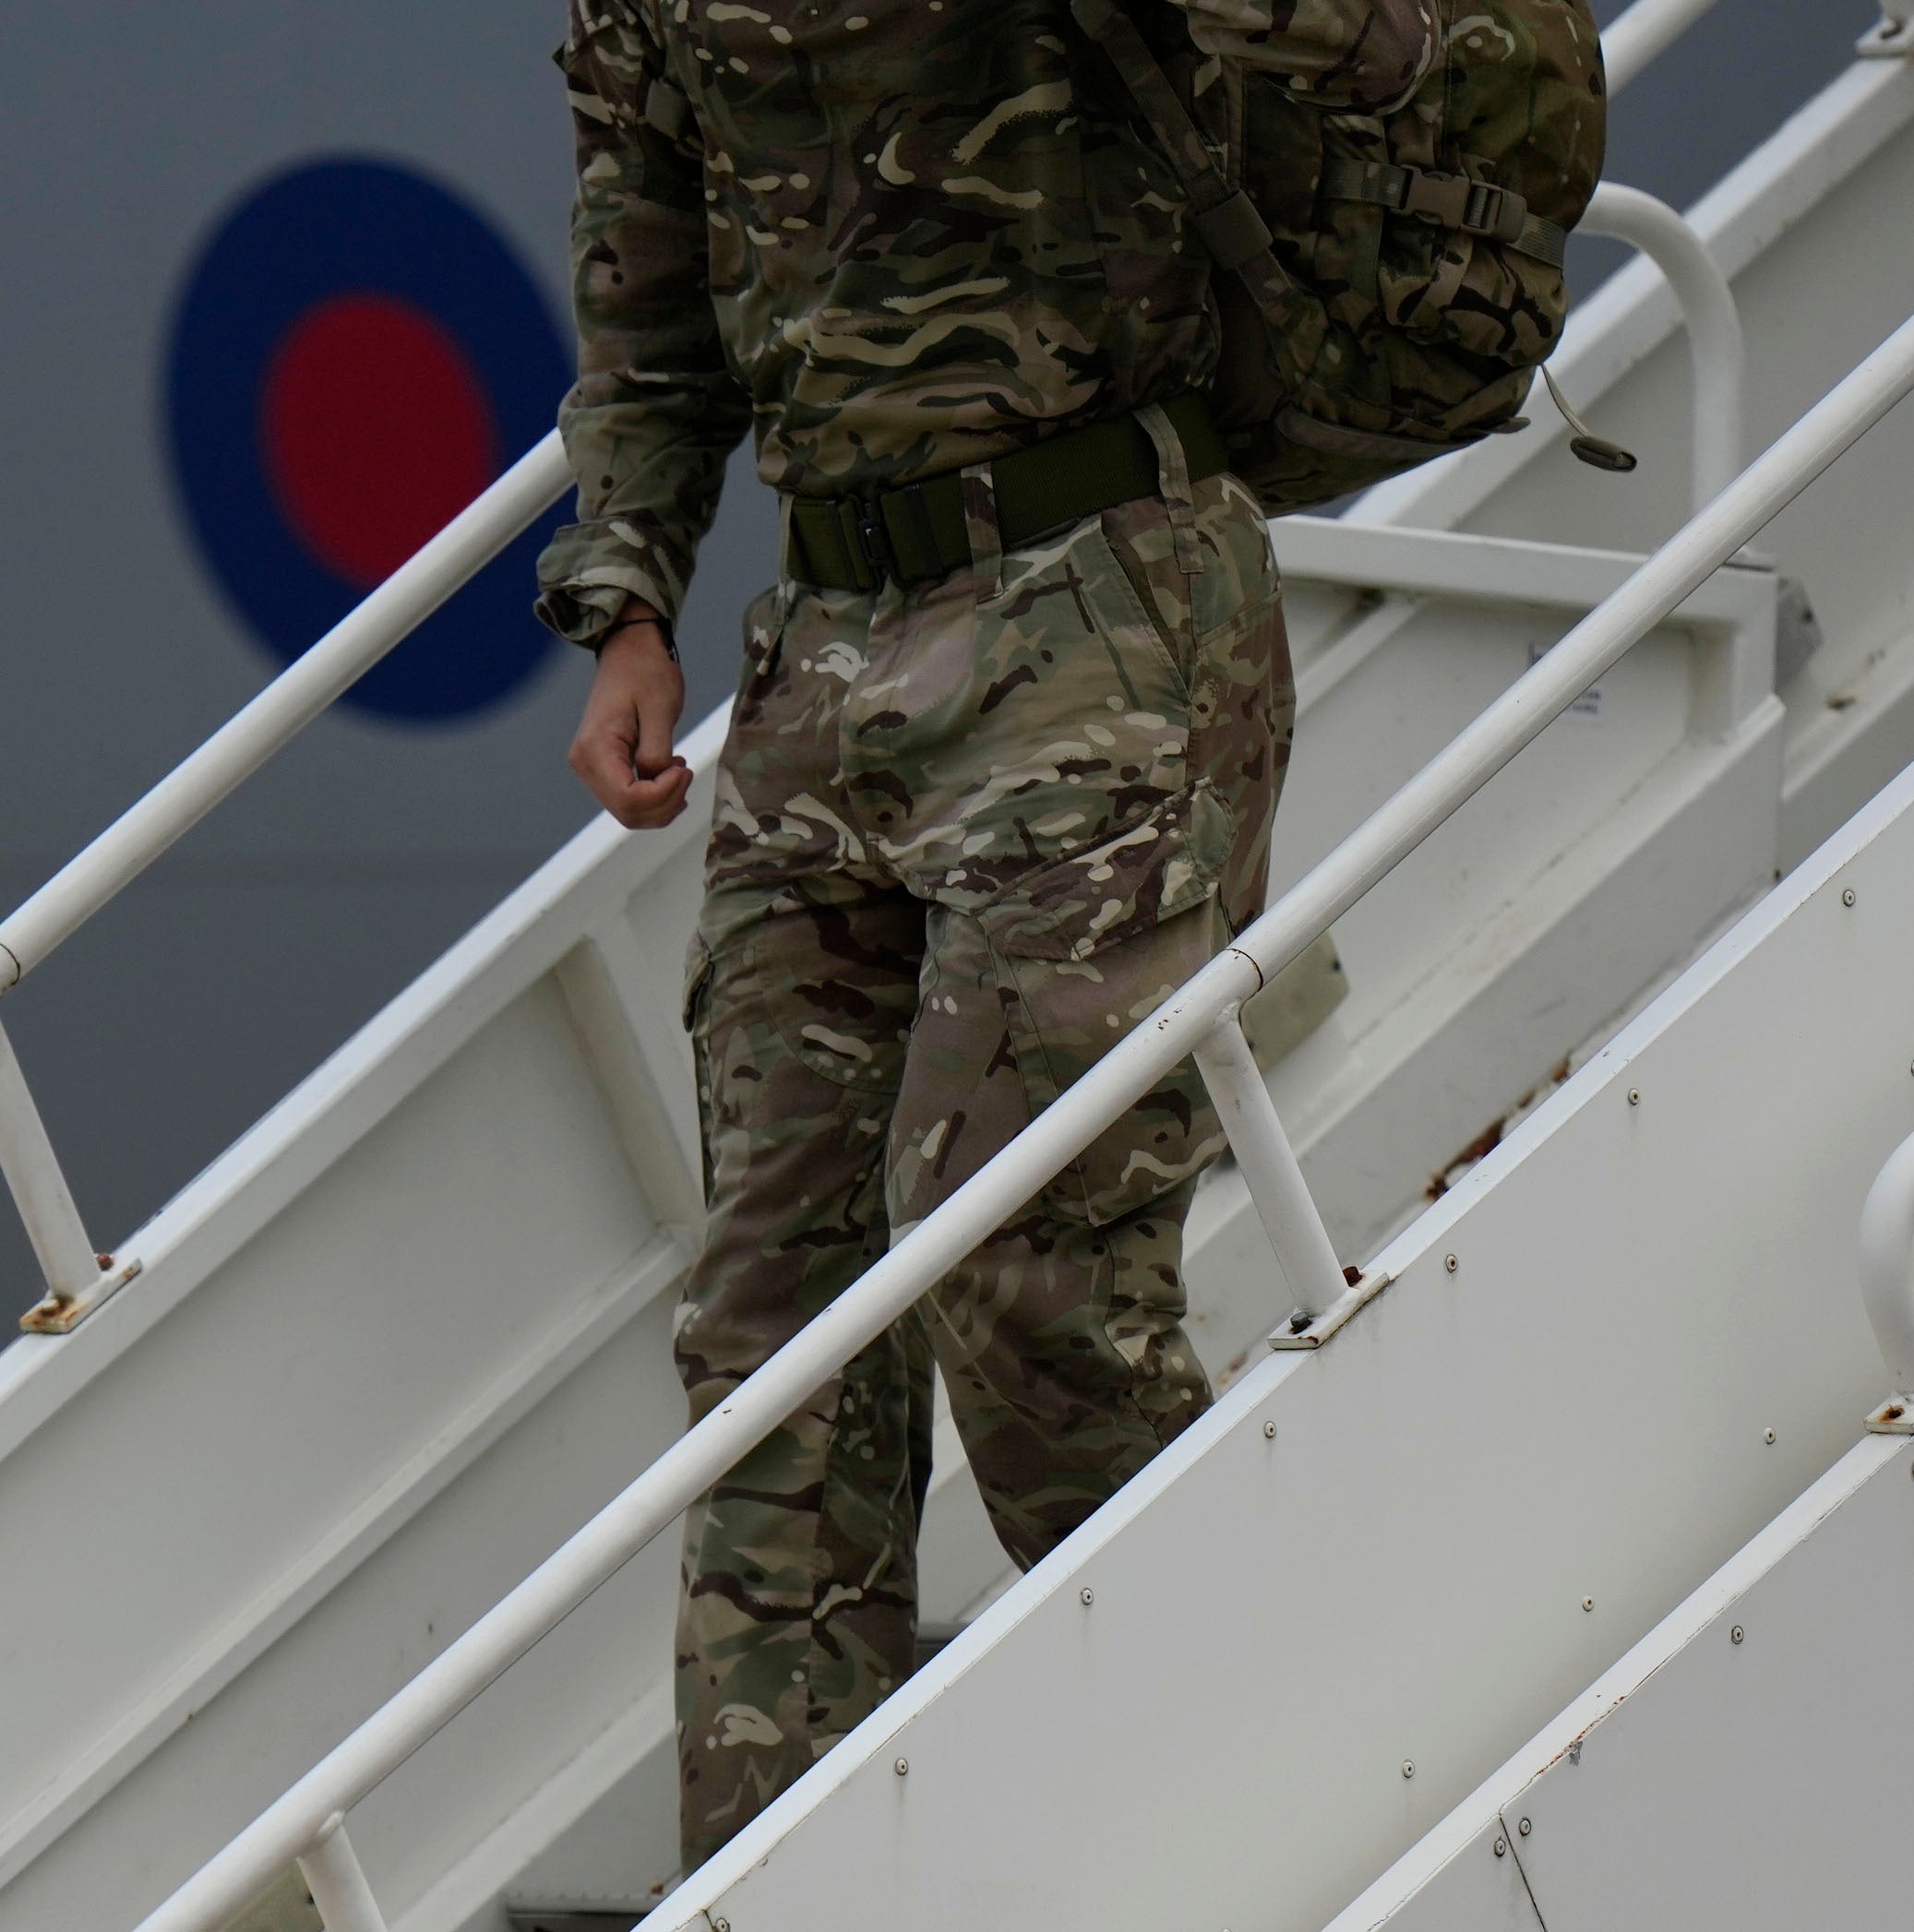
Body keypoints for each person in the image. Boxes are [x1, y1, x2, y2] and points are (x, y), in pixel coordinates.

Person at [537, 0, 1320, 1869]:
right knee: (773, 1332)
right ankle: (783, 1881)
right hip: (823, 653)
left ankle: (1230, 1821)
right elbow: (646, 294)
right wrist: (627, 596)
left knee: (1022, 1260)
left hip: (1097, 600)